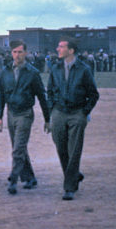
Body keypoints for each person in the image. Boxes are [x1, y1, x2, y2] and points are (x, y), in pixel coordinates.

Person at [47, 37, 100, 200]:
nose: (58, 49)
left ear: (71, 51)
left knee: (74, 150)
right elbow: (49, 92)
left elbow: (93, 94)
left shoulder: (84, 69)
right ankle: (74, 174)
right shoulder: (55, 68)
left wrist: (84, 112)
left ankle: (69, 187)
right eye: (58, 46)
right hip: (59, 112)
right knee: (61, 148)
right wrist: (52, 110)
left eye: (61, 46)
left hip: (77, 113)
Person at [0, 40, 50, 195]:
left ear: (26, 53)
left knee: (18, 148)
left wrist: (47, 119)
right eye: (14, 52)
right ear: (11, 53)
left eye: (20, 52)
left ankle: (13, 180)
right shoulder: (5, 71)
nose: (17, 55)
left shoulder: (32, 73)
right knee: (19, 147)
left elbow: (41, 96)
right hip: (10, 113)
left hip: (25, 114)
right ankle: (30, 178)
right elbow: (0, 94)